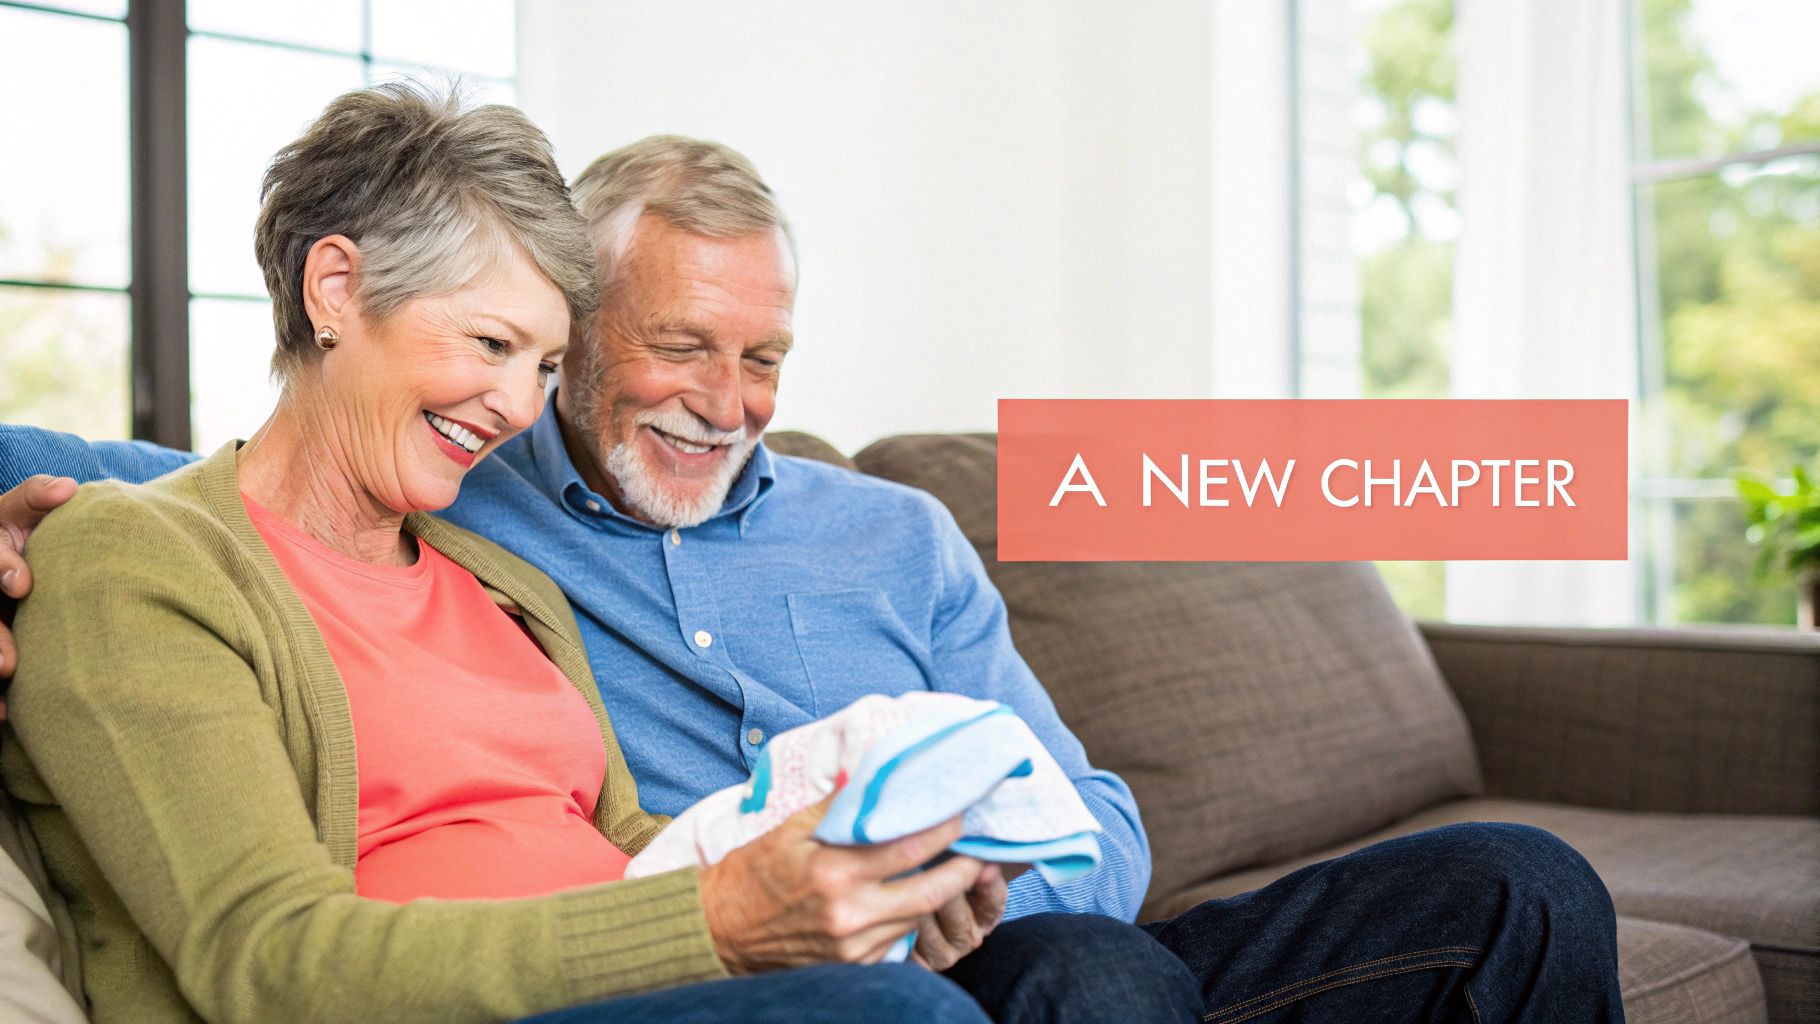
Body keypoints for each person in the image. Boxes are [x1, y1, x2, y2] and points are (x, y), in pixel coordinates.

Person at [0, 126, 1627, 1020]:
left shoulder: (878, 536)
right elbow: (260, 496)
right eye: (676, 347)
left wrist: (955, 895)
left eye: (766, 353)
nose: (728, 397)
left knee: (1515, 886)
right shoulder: (480, 507)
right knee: (1084, 986)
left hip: (952, 940)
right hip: (760, 967)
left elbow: (1095, 819)